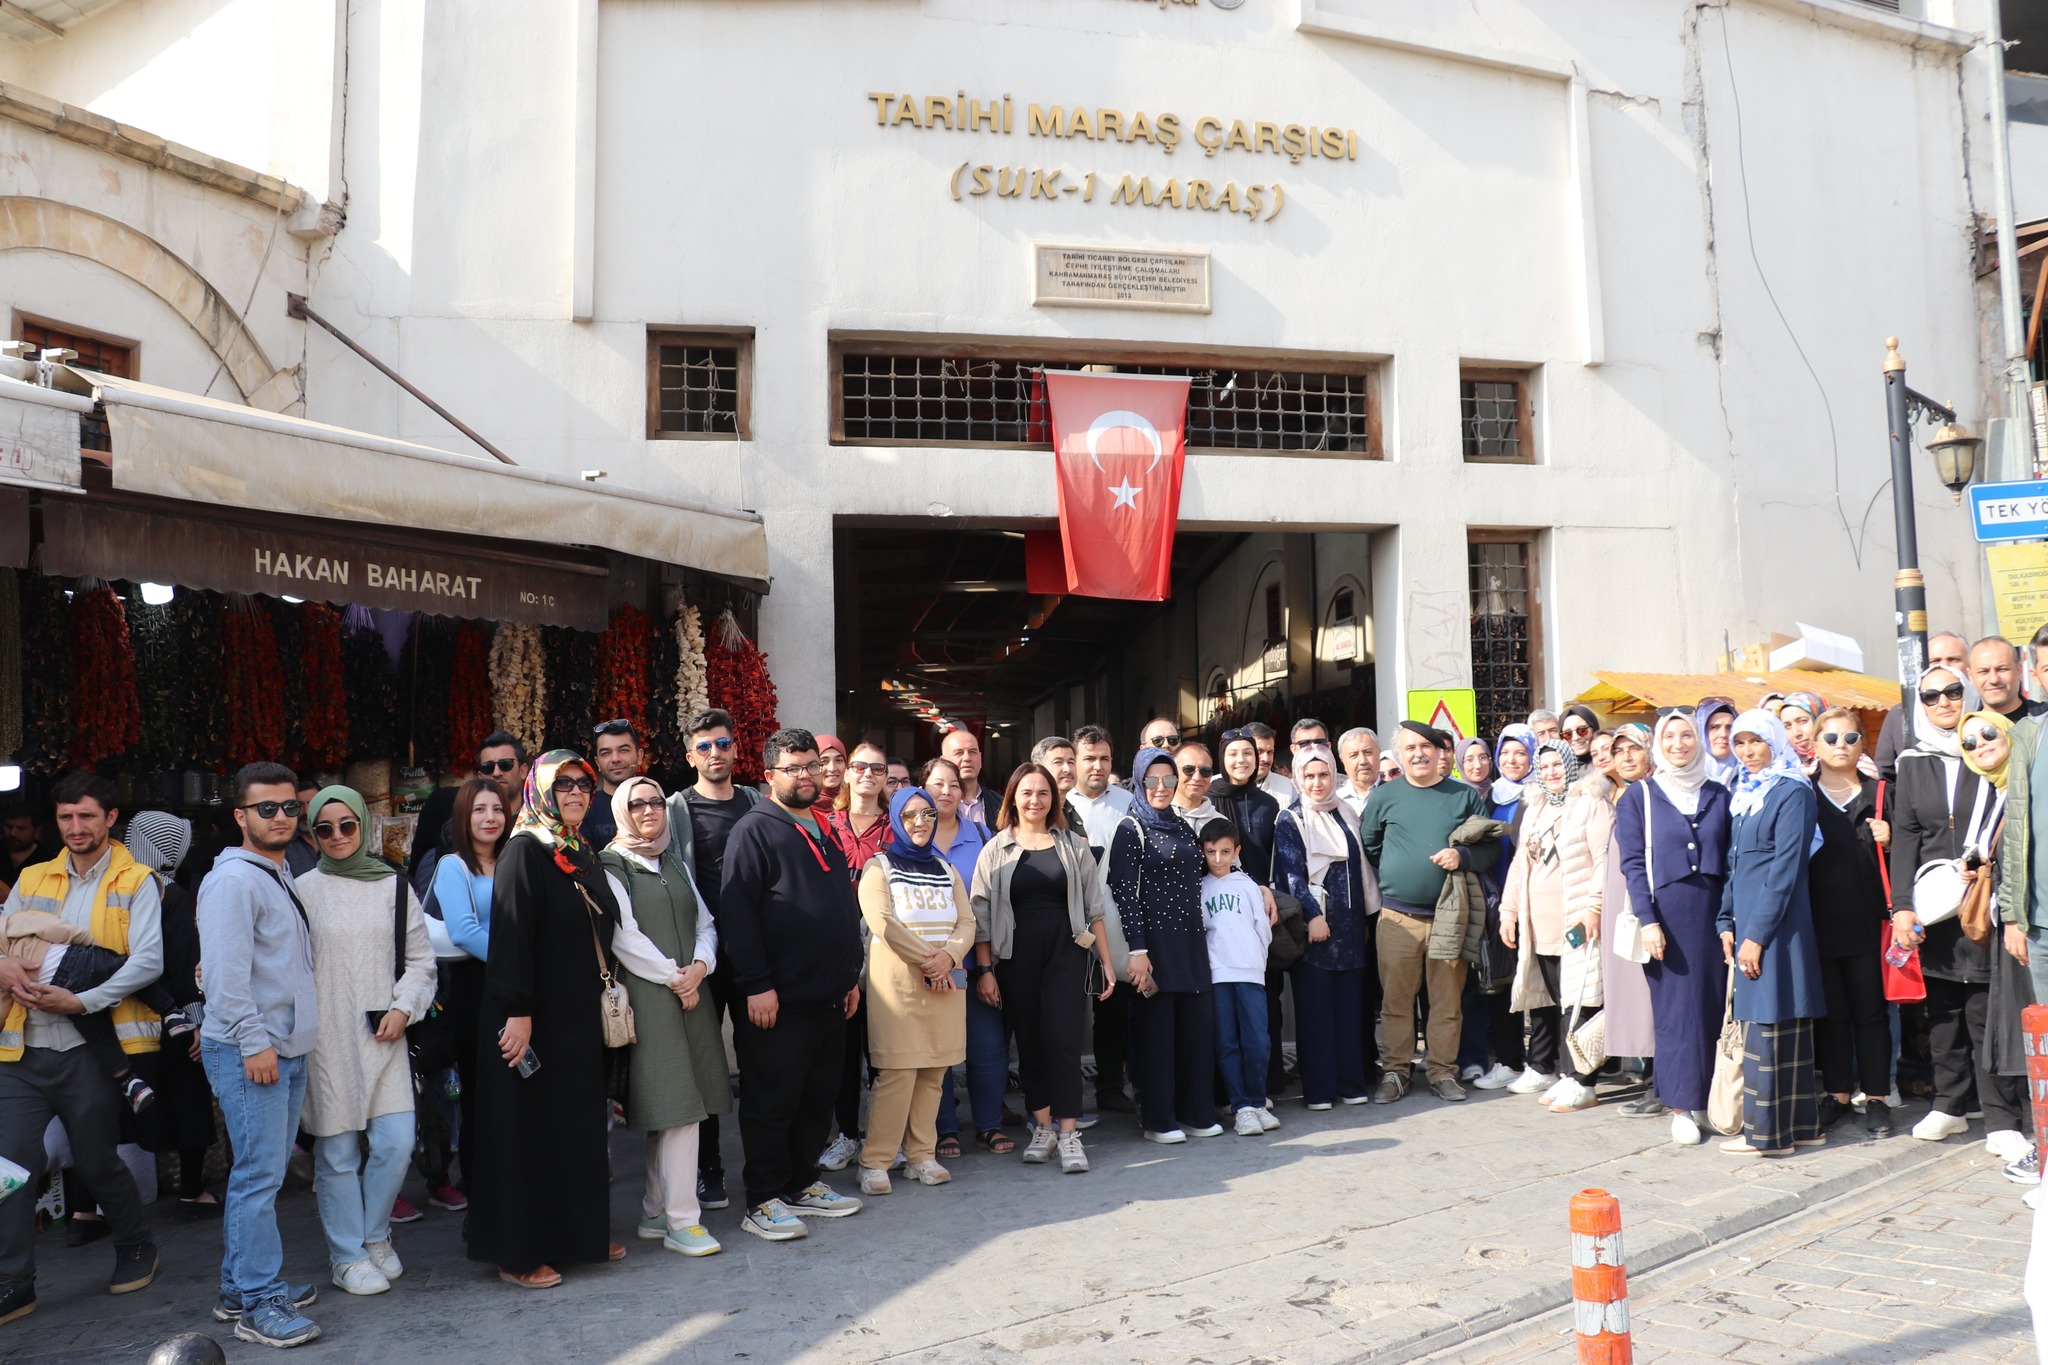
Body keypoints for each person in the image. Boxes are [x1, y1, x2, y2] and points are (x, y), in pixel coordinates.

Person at [0, 771, 163, 1328]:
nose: (75, 827)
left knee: (96, 1161)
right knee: (9, 1170)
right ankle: (14, 1281)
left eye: (86, 816)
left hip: (86, 1049)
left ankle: (136, 1243)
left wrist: (84, 1001)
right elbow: (0, 936)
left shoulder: (137, 879)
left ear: (110, 818)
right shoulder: (32, 876)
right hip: (19, 1048)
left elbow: (147, 962)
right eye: (66, 818)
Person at [466, 751, 627, 1288]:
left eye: (583, 784)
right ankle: (519, 1253)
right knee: (527, 1133)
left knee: (576, 1128)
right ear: (540, 792)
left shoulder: (578, 850)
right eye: (564, 786)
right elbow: (511, 934)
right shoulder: (523, 851)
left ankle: (578, 1235)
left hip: (576, 1015)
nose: (577, 793)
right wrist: (518, 1011)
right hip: (531, 1015)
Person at [714, 729, 866, 1242]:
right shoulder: (754, 829)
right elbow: (738, 913)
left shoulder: (821, 824)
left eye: (811, 766)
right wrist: (756, 984)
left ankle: (803, 1183)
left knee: (815, 1099)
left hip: (828, 995)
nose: (806, 775)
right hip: (776, 999)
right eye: (794, 768)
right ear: (769, 776)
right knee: (771, 1101)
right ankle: (763, 1199)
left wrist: (849, 977)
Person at [295, 786, 437, 1296]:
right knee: (335, 1157)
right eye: (324, 828)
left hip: (384, 1036)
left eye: (347, 825)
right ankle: (346, 1256)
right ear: (312, 834)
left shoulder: (394, 887)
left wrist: (403, 1008)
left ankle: (375, 1236)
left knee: (396, 1144)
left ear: (363, 826)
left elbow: (421, 961)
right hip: (325, 1041)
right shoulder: (300, 890)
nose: (336, 836)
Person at [195, 763, 318, 1346]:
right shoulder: (234, 882)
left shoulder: (276, 872)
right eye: (266, 808)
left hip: (279, 1046)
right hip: (254, 1049)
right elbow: (223, 978)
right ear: (240, 816)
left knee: (259, 1175)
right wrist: (254, 1043)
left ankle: (236, 1289)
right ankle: (260, 1305)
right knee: (258, 1179)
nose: (280, 817)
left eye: (289, 807)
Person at [1892, 674, 2026, 1159]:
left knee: (1988, 1010)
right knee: (1943, 1009)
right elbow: (1906, 835)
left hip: (1984, 900)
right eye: (1931, 696)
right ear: (1919, 705)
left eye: (1953, 692)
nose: (1943, 702)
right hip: (1936, 902)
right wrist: (1902, 906)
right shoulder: (1913, 762)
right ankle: (1949, 1104)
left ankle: (2001, 1117)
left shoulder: (1988, 742)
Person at [598, 777, 728, 1259]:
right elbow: (623, 937)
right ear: (621, 810)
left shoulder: (672, 859)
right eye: (637, 803)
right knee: (675, 1106)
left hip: (692, 992)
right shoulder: (612, 865)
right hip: (653, 998)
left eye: (656, 800)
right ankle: (682, 1220)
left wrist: (699, 968)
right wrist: (678, 979)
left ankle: (655, 1210)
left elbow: (705, 923)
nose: (649, 809)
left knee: (679, 1108)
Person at [971, 764, 1114, 1172]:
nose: (1035, 800)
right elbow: (980, 915)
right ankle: (1044, 1126)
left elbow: (1095, 908)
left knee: (1063, 1040)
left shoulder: (1072, 845)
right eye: (1027, 792)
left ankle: (1069, 1134)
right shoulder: (996, 848)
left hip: (1066, 951)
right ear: (1013, 797)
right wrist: (984, 970)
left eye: (1043, 793)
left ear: (1055, 799)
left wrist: (1105, 960)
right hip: (1015, 957)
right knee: (1030, 1043)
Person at [1358, 722, 1499, 1104]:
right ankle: (1396, 1071)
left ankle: (1442, 1071)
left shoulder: (1463, 796)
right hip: (1397, 919)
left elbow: (1491, 849)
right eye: (1409, 748)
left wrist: (1462, 855)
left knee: (1447, 1001)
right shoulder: (1384, 797)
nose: (1418, 753)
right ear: (1399, 755)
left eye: (1426, 746)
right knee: (1396, 1002)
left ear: (1441, 752)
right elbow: (1370, 846)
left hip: (1449, 916)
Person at [1616, 711, 1733, 1147]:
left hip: (1713, 912)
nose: (1679, 743)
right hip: (1666, 915)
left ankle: (1709, 1098)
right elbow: (1631, 864)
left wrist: (1729, 919)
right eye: (1670, 735)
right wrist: (1648, 920)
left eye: (1687, 734)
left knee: (1711, 1006)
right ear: (1657, 744)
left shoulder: (1719, 793)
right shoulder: (1640, 796)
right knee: (1675, 1010)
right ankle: (1681, 1105)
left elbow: (1731, 858)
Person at [1718, 710, 1826, 1156]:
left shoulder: (1791, 792)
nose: (1747, 751)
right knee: (1774, 1023)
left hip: (1777, 927)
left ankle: (1768, 1136)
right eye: (1739, 742)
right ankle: (1803, 1127)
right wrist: (1727, 921)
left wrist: (1756, 935)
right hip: (1750, 924)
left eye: (1756, 741)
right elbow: (1735, 863)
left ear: (1774, 742)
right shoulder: (1745, 794)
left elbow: (1784, 869)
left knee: (1770, 1028)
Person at [857, 787, 972, 1192]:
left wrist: (950, 958)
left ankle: (922, 1155)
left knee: (934, 1073)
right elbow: (883, 923)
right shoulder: (878, 868)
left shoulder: (946, 869)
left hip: (944, 987)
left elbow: (967, 922)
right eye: (909, 816)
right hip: (898, 991)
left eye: (926, 815)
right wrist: (931, 959)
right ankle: (875, 1162)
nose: (920, 823)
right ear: (895, 821)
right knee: (897, 1074)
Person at [1110, 747, 1218, 1142]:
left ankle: (1195, 1112)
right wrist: (1138, 951)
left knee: (1195, 1033)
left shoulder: (1183, 825)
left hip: (1190, 945)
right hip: (1153, 948)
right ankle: (1159, 1119)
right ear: (1139, 781)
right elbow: (1124, 893)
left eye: (1169, 779)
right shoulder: (1130, 827)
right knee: (1157, 1038)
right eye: (1152, 780)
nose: (1161, 787)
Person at [678, 707, 762, 1211]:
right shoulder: (673, 809)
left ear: (736, 749)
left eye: (723, 744)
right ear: (690, 757)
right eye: (705, 746)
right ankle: (708, 1170)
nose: (716, 753)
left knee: (760, 1065)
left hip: (753, 956)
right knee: (706, 1070)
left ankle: (764, 1168)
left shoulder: (755, 802)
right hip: (700, 959)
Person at [1501, 741, 1602, 1112]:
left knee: (1579, 1001)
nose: (1551, 772)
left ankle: (1583, 1080)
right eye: (1544, 767)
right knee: (1552, 1001)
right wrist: (1508, 911)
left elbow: (1603, 859)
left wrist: (1594, 907)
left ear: (1571, 765)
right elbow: (1518, 865)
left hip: (1574, 920)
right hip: (1538, 923)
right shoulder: (1536, 806)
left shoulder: (1591, 803)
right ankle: (1562, 1073)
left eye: (1557, 764)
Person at [1274, 746, 1375, 1111]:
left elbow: (1361, 872)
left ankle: (1350, 1083)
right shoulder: (1292, 818)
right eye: (1310, 776)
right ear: (1300, 778)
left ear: (1334, 775)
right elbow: (1291, 874)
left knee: (1349, 1011)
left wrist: (1363, 919)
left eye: (1324, 775)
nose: (1317, 783)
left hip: (1349, 929)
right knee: (1316, 1014)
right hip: (1315, 929)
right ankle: (1319, 1090)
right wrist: (1312, 915)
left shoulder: (1346, 812)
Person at [1808, 708, 1893, 1137]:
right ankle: (1838, 1093)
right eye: (1831, 738)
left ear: (1862, 745)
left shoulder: (1881, 794)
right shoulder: (1802, 794)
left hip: (1869, 923)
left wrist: (1891, 839)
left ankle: (1876, 1096)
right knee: (1833, 1014)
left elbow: (1910, 854)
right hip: (1819, 923)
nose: (1840, 745)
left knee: (1871, 1012)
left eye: (1850, 737)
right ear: (1815, 744)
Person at [125, 812, 216, 1212]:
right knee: (188, 1102)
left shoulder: (115, 888)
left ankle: (86, 1209)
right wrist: (195, 1021)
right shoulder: (169, 894)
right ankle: (192, 1190)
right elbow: (181, 966)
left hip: (122, 1019)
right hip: (170, 1018)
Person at [429, 777, 507, 1211]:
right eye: (479, 809)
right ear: (463, 816)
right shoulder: (453, 866)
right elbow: (463, 931)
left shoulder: (514, 857)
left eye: (496, 808)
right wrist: (519, 964)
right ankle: (481, 1201)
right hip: (478, 990)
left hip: (517, 989)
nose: (490, 817)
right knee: (482, 1099)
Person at [819, 740, 891, 1172]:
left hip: (886, 951)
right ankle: (847, 1133)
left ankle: (885, 1137)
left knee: (883, 1050)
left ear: (886, 777)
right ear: (845, 772)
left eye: (877, 768)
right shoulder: (826, 823)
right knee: (844, 1051)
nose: (867, 774)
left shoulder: (897, 824)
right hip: (840, 949)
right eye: (859, 766)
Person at [925, 756, 1003, 1155]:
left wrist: (986, 966)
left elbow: (988, 905)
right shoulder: (912, 837)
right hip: (932, 964)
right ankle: (944, 1129)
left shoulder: (980, 833)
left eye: (953, 785)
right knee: (938, 1052)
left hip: (975, 960)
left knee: (987, 1047)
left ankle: (989, 1124)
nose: (946, 792)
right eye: (937, 784)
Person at [1213, 728, 1287, 1096]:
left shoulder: (1268, 804)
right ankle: (1228, 1092)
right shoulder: (1209, 799)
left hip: (1260, 913)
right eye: (1233, 754)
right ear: (1222, 758)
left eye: (1248, 753)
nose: (1241, 760)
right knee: (1223, 1011)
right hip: (1220, 916)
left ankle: (1267, 1084)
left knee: (1265, 1001)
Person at [1070, 724, 1136, 1113]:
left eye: (1104, 759)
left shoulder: (1130, 802)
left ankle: (1112, 1088)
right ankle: (1063, 1101)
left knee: (1114, 1007)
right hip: (1069, 923)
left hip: (1116, 924)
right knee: (1067, 1010)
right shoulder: (1057, 804)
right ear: (1075, 762)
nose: (1097, 766)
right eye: (1089, 758)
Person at [1202, 820, 1277, 1134]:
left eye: (1225, 851)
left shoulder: (1247, 885)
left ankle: (1257, 1101)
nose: (1218, 859)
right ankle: (1242, 1106)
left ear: (1237, 851)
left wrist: (1257, 960)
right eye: (1211, 852)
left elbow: (1263, 928)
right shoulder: (1200, 887)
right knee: (1227, 1042)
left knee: (1258, 1040)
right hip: (1217, 975)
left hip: (1250, 973)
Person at [1600, 723, 1660, 1112]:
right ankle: (1653, 1078)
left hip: (1646, 907)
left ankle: (1663, 1083)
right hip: (1622, 905)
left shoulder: (1657, 794)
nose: (1625, 756)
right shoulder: (1620, 796)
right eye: (1618, 750)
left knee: (1654, 994)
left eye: (1633, 749)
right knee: (1637, 994)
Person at [1877, 632, 1968, 779]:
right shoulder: (1900, 715)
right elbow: (1885, 775)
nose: (1944, 666)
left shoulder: (1984, 713)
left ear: (1969, 665)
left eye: (1953, 659)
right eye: (1935, 660)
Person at [582, 719, 646, 849]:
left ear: (639, 756)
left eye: (623, 750)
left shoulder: (657, 805)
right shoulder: (585, 809)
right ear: (598, 762)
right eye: (606, 753)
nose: (615, 759)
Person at [1972, 637, 2046, 727]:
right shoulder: (1965, 732)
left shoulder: (2045, 719)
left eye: (2002, 669)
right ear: (1970, 676)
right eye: (1984, 671)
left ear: (2019, 670)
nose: (1994, 679)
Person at [1031, 735, 1086, 834]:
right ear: (1039, 768)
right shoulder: (1034, 812)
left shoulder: (1070, 811)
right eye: (1058, 762)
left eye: (1071, 762)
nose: (1067, 769)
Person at [941, 726, 988, 826]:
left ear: (980, 759)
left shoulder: (999, 803)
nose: (967, 758)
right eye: (959, 753)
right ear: (943, 761)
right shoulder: (932, 804)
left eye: (972, 752)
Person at [1171, 742, 1221, 830]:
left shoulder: (1221, 825)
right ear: (1173, 772)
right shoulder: (1155, 818)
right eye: (1188, 769)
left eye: (1205, 771)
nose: (1197, 777)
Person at [1336, 728, 1381, 826]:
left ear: (1379, 754)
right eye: (1354, 755)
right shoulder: (1335, 802)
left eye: (1368, 752)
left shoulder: (1395, 795)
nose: (1363, 761)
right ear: (1343, 761)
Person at [1694, 698, 1740, 788]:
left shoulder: (1748, 777)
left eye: (1729, 727)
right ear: (1700, 731)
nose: (1723, 734)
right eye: (1714, 727)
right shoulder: (1686, 778)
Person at [0, 805, 45, 895]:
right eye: (9, 827)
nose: (13, 833)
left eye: (21, 829)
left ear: (36, 831)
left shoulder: (47, 863)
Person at [1246, 722, 1295, 804]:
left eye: (1270, 752)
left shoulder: (1287, 787)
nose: (1266, 759)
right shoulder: (1219, 787)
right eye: (1259, 751)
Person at [1777, 693, 1826, 774]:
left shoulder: (1841, 760)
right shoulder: (1781, 767)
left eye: (1802, 721)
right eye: (1787, 726)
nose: (1796, 733)